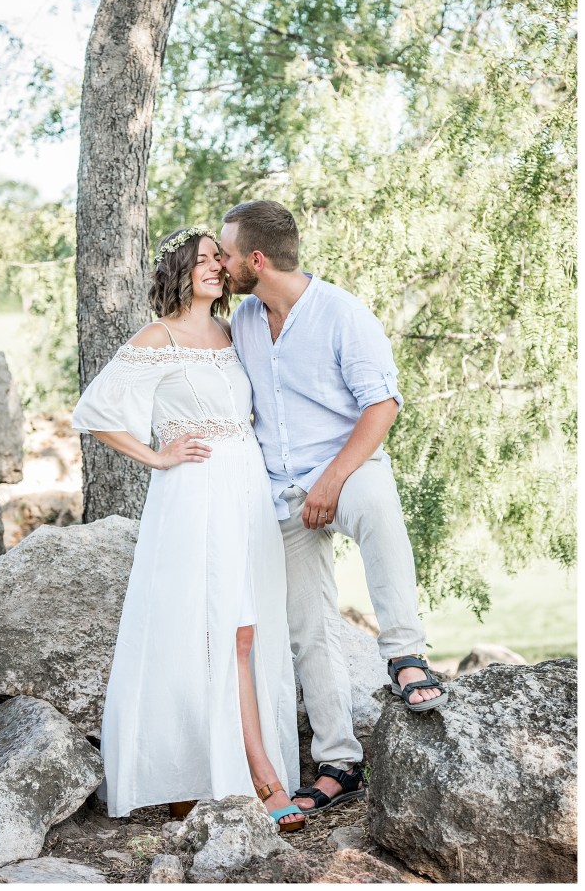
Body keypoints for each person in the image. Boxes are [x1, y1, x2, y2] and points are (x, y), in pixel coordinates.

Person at [71, 227, 304, 831]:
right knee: (200, 631)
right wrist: (158, 455)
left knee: (247, 632)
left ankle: (227, 767)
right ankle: (242, 775)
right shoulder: (159, 337)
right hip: (193, 496)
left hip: (245, 490)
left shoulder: (231, 333)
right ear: (178, 269)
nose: (214, 268)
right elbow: (95, 413)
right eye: (201, 260)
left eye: (217, 261)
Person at [220, 200, 448, 816]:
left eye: (227, 251)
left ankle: (404, 651)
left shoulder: (343, 314)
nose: (221, 260)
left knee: (379, 512)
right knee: (307, 626)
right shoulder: (242, 318)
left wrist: (330, 482)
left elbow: (383, 407)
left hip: (346, 469)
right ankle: (339, 761)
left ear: (257, 259)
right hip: (278, 489)